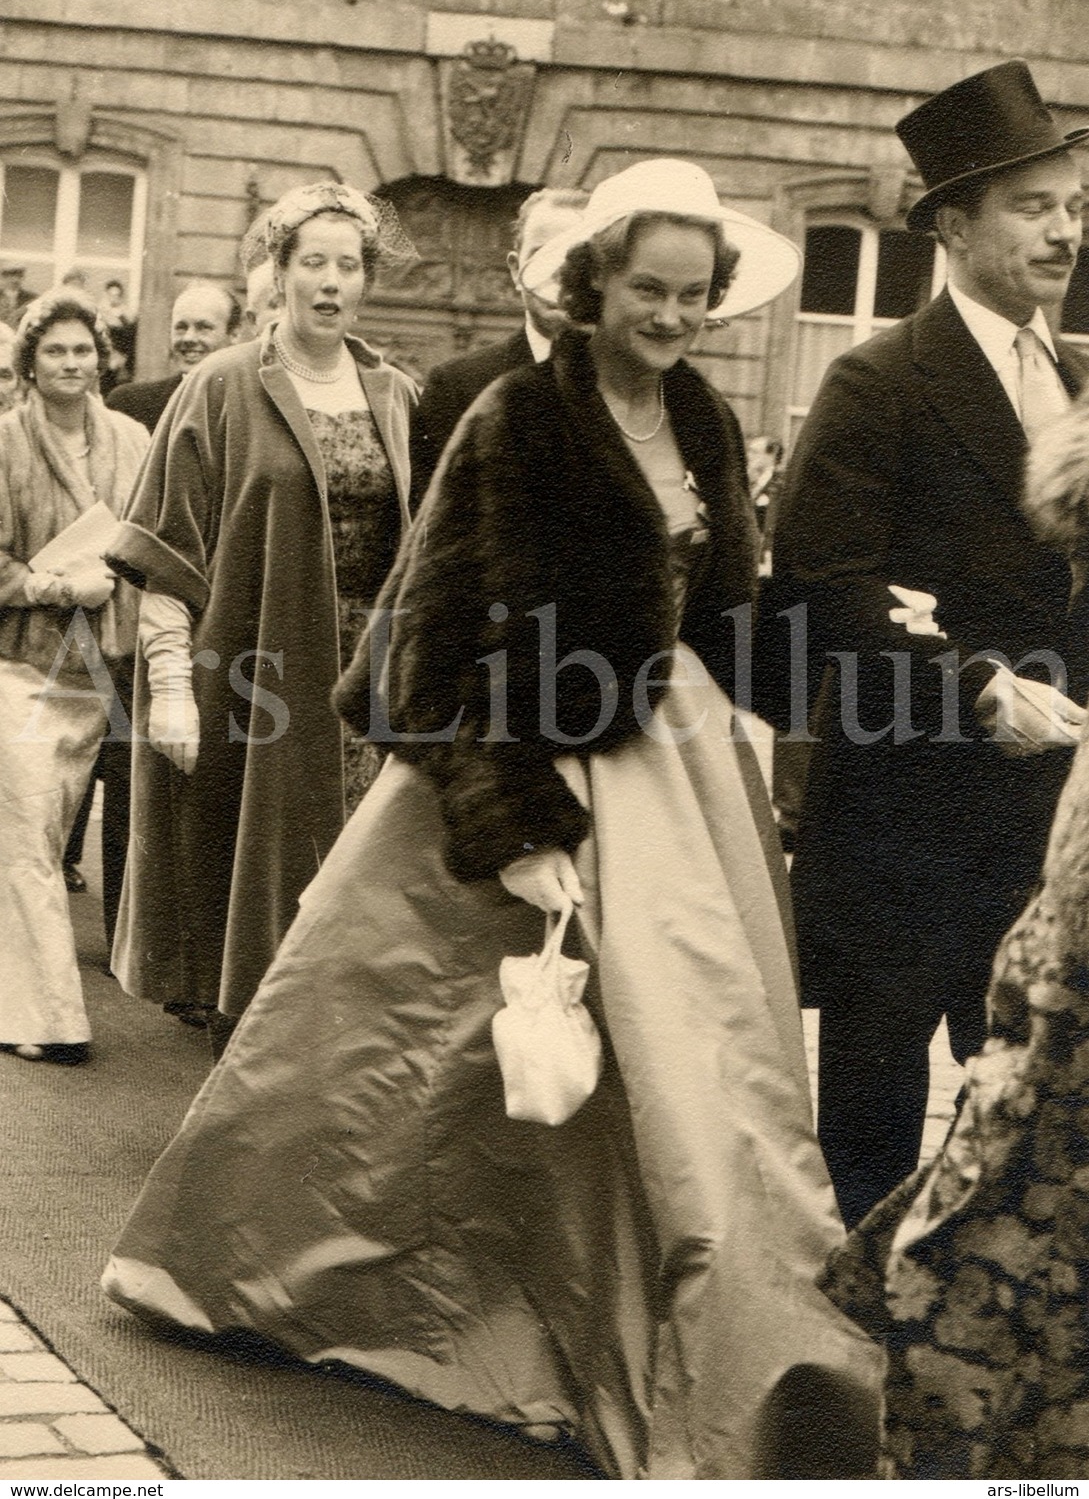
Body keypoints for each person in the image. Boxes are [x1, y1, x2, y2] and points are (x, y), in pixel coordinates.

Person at [103, 159, 881, 1478]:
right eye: (649, 289)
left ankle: (643, 1333)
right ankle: (311, 1283)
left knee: (671, 1077)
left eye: (696, 294)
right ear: (592, 287)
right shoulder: (518, 415)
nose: (673, 315)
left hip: (676, 782)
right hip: (514, 770)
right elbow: (424, 645)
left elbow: (727, 620)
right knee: (412, 1069)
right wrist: (513, 822)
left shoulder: (698, 417)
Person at [761, 59, 1089, 1231]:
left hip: (1045, 830)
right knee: (874, 1125)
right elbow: (824, 585)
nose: (1065, 232)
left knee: (1031, 1117)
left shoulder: (1078, 378)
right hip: (903, 818)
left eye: (1074, 206)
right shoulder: (875, 380)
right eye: (1033, 206)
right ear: (952, 224)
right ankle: (850, 1358)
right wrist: (977, 689)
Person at [819, 403, 1089, 1479]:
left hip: (1049, 1079)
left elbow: (1060, 953)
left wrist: (1015, 1056)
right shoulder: (880, 386)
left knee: (956, 1305)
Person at [106, 180, 417, 1052]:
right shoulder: (220, 385)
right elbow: (167, 550)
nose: (331, 282)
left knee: (357, 936)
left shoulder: (395, 393)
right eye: (311, 262)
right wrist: (170, 688)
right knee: (252, 941)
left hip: (368, 701)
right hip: (257, 688)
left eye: (348, 265)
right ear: (276, 274)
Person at [0, 287, 148, 1062]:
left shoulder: (130, 438)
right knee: (26, 831)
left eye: (82, 349)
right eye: (54, 350)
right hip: (19, 666)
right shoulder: (4, 443)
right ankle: (47, 1018)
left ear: (102, 358)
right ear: (30, 362)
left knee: (48, 835)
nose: (71, 362)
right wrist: (56, 587)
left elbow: (153, 537)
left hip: (102, 667)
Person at [408, 187, 587, 508]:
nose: (559, 274)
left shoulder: (636, 385)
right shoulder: (456, 387)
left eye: (575, 257)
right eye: (542, 255)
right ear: (516, 270)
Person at [106, 281, 241, 434]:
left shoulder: (252, 409)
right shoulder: (130, 405)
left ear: (234, 335)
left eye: (204, 328)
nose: (188, 338)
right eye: (181, 327)